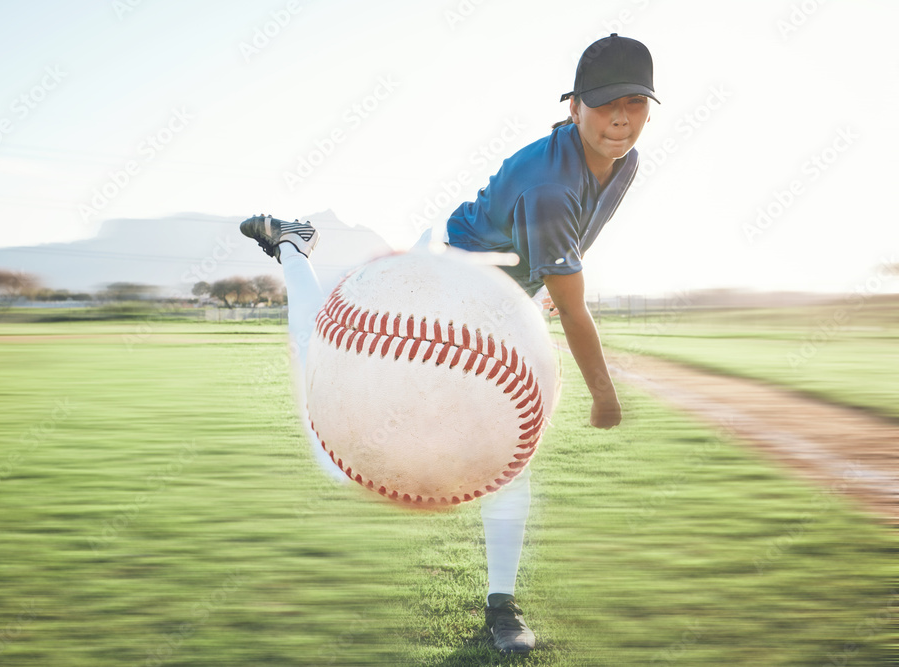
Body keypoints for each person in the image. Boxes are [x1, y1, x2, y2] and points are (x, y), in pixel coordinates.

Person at [240, 33, 657, 656]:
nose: (621, 118)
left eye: (635, 101)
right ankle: (294, 252)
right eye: (604, 104)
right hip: (444, 284)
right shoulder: (549, 184)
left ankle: (501, 605)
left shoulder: (624, 161)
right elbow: (574, 307)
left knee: (510, 453)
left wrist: (536, 283)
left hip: (503, 299)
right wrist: (603, 395)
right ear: (572, 107)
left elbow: (564, 264)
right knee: (333, 444)